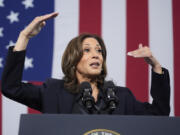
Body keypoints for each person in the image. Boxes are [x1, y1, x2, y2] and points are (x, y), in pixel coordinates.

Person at [1, 12, 170, 115]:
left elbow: (159, 114)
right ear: (73, 60)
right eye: (87, 50)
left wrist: (156, 67)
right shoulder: (52, 92)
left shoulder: (121, 96)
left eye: (99, 51)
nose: (96, 55)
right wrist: (24, 37)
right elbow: (11, 88)